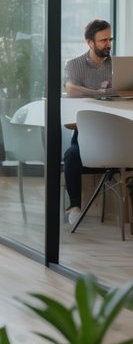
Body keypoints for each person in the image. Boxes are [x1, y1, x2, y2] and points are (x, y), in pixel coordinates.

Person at [62, 19, 113, 226]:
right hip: (84, 132)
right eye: (103, 40)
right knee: (71, 155)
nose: (108, 44)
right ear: (89, 42)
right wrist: (99, 94)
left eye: (109, 39)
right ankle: (75, 207)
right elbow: (71, 89)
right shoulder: (74, 65)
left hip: (115, 133)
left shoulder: (117, 65)